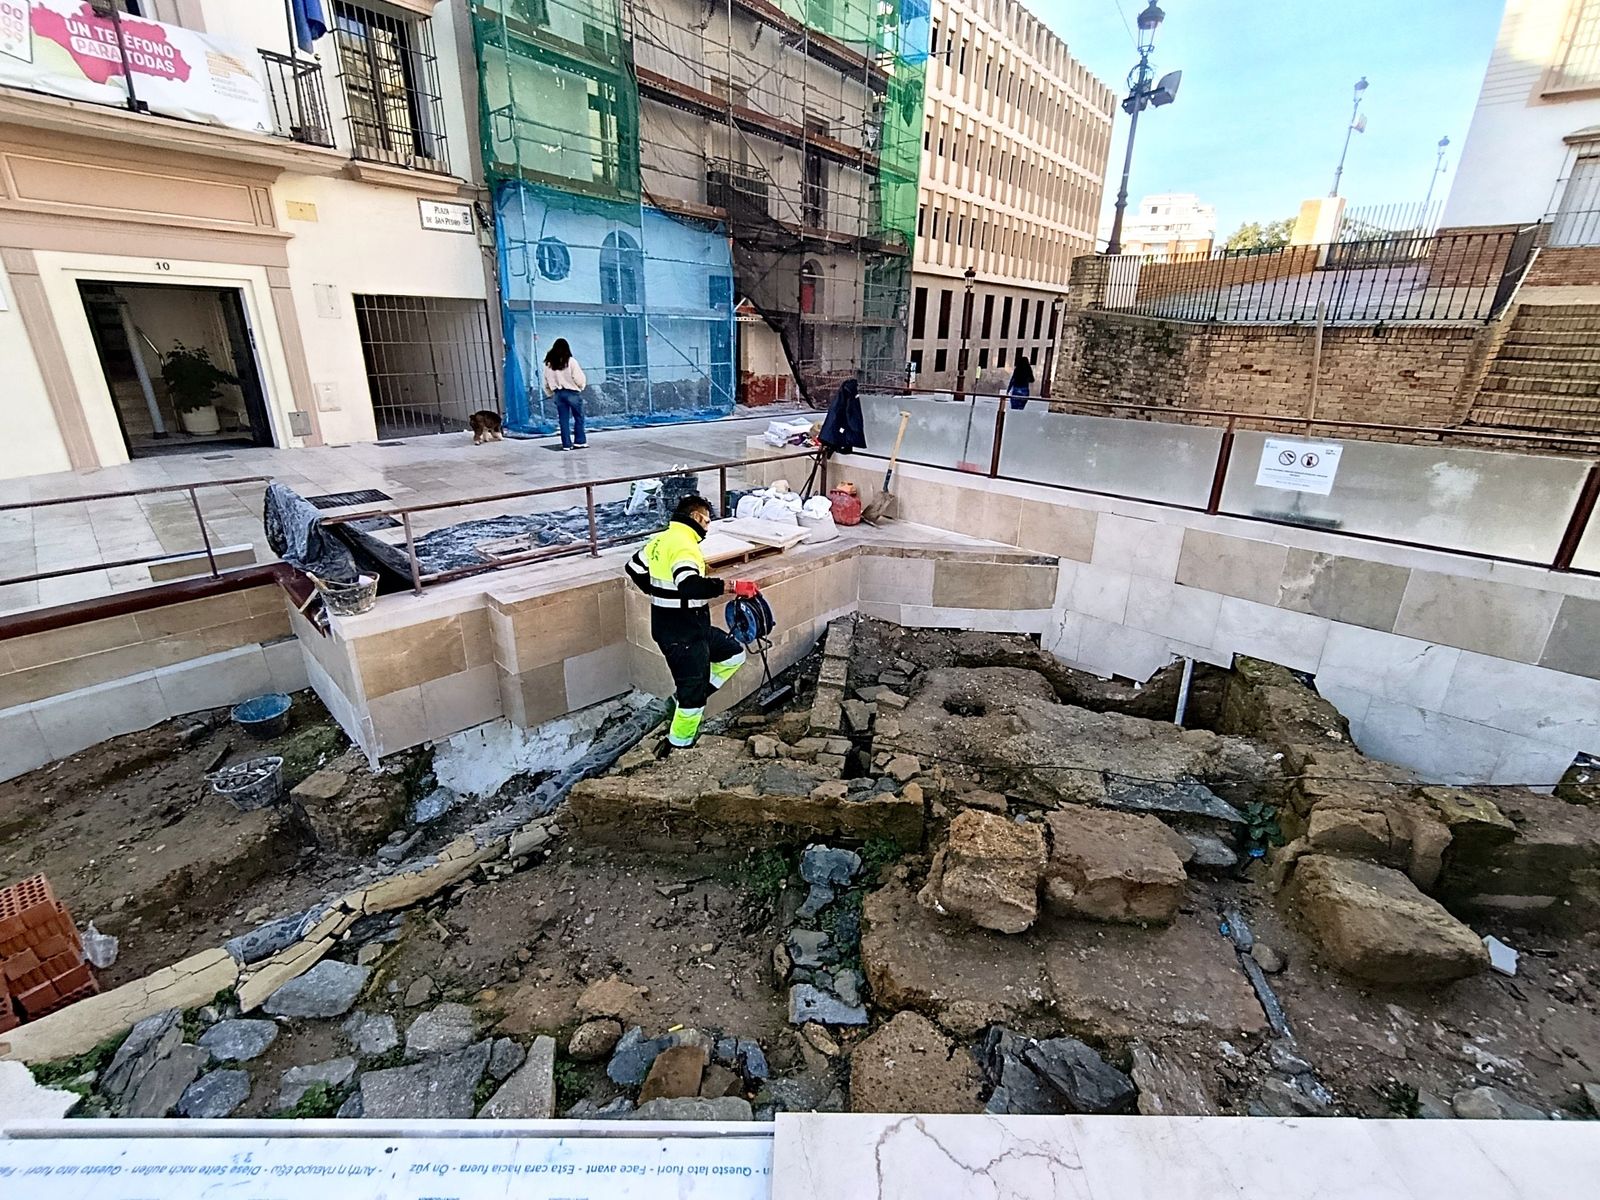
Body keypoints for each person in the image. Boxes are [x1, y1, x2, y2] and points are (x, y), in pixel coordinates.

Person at [625, 495, 757, 748]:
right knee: (693, 699)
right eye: (707, 521)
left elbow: (633, 567)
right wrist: (731, 586)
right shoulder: (684, 545)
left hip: (686, 626)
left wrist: (657, 593)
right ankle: (680, 743)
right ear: (696, 517)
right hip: (682, 633)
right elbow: (688, 584)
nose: (708, 528)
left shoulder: (661, 539)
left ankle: (689, 693)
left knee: (733, 655)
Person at [541, 338, 588, 450]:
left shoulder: (548, 364)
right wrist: (580, 387)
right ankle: (580, 441)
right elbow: (578, 378)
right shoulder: (571, 361)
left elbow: (546, 380)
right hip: (572, 392)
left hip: (558, 393)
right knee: (579, 417)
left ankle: (566, 444)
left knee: (563, 420)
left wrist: (549, 393)